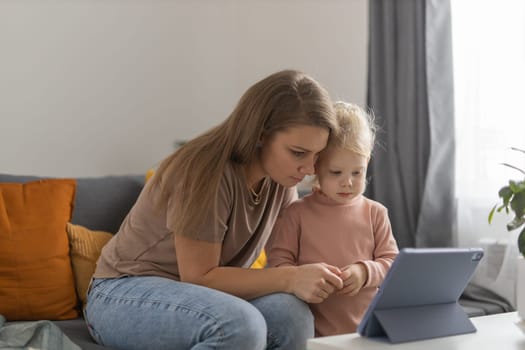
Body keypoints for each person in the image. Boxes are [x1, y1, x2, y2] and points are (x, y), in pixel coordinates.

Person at [84, 69, 346, 350]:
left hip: (207, 299)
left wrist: (349, 272)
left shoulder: (281, 181)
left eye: (316, 155)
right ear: (260, 134)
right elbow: (200, 277)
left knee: (292, 316)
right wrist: (291, 278)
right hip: (122, 293)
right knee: (239, 326)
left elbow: (290, 257)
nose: (308, 170)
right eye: (298, 153)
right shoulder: (203, 171)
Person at [266, 101, 399, 337]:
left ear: (367, 162)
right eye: (336, 172)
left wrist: (364, 272)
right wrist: (302, 279)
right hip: (315, 334)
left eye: (357, 172)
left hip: (367, 331)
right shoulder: (296, 213)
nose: (347, 182)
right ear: (315, 168)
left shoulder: (376, 213)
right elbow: (277, 263)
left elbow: (392, 263)